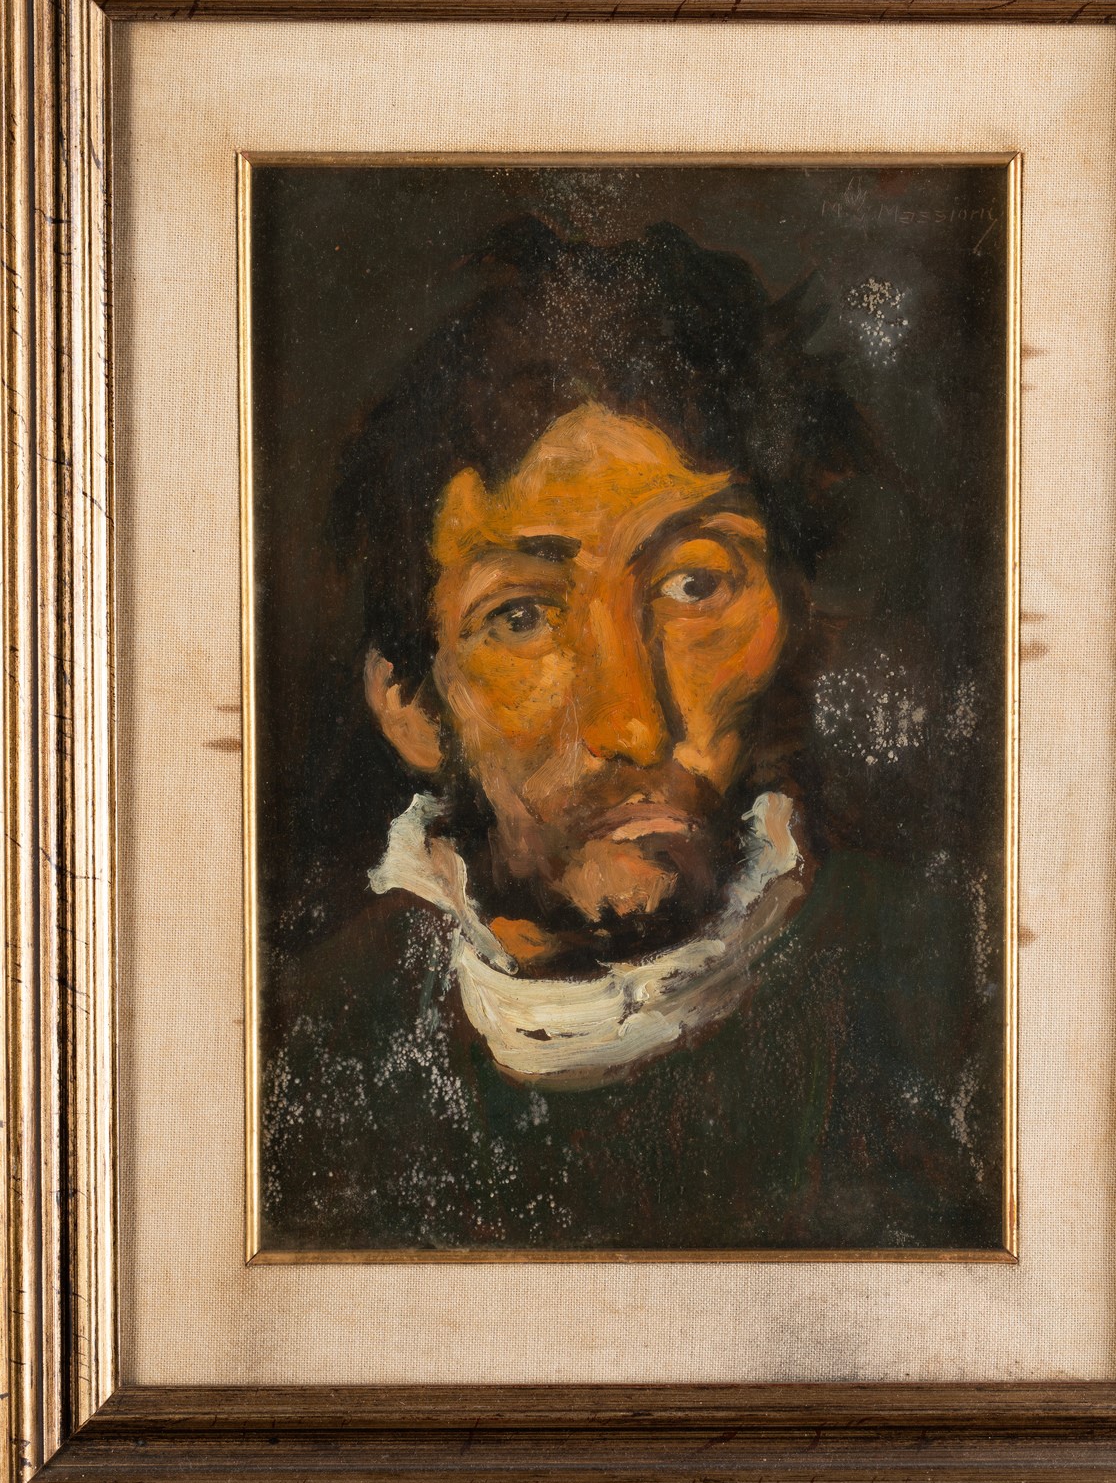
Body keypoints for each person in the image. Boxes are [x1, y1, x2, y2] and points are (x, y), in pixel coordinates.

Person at [259, 216, 1001, 1252]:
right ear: (412, 705)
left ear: (793, 617)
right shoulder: (302, 1050)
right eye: (521, 615)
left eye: (696, 585)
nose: (632, 723)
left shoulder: (953, 1003)